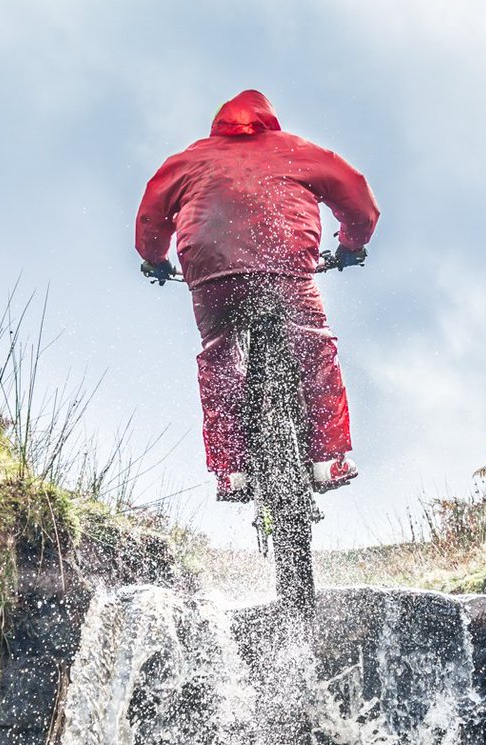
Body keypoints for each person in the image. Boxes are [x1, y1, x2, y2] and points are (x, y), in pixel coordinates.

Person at [135, 89, 379, 503]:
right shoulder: (296, 149)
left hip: (212, 272)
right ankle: (327, 457)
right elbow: (356, 193)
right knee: (313, 347)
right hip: (284, 265)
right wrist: (351, 246)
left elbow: (151, 214)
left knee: (220, 359)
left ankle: (232, 470)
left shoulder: (191, 159)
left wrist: (155, 259)